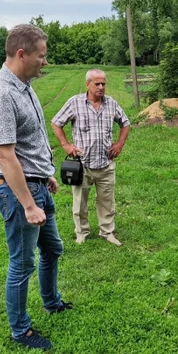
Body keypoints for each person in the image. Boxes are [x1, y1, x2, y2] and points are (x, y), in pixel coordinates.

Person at [0, 24, 72, 351]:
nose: (45, 62)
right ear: (22, 54)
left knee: (53, 248)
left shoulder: (24, 85)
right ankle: (21, 331)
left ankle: (51, 301)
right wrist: (29, 205)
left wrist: (45, 174)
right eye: (41, 56)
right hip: (21, 195)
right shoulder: (1, 94)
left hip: (37, 185)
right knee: (23, 263)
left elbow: (28, 142)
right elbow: (5, 156)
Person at [52, 69, 130, 246]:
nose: (101, 87)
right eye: (97, 84)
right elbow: (56, 123)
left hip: (105, 163)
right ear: (88, 84)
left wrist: (119, 144)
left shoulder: (111, 103)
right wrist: (66, 145)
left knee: (107, 202)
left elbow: (125, 123)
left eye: (103, 83)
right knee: (80, 203)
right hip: (83, 165)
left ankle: (107, 232)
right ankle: (82, 232)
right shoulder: (75, 102)